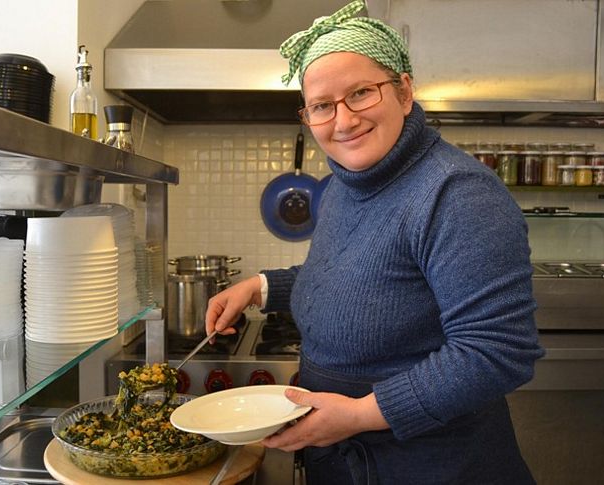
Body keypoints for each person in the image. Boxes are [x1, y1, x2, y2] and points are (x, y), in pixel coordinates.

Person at [205, 1, 545, 483]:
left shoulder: (457, 194)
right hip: (351, 461)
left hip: (433, 467)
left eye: (361, 93)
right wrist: (260, 288)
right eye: (323, 105)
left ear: (404, 92)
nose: (343, 121)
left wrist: (360, 414)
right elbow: (353, 276)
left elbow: (496, 352)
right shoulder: (348, 183)